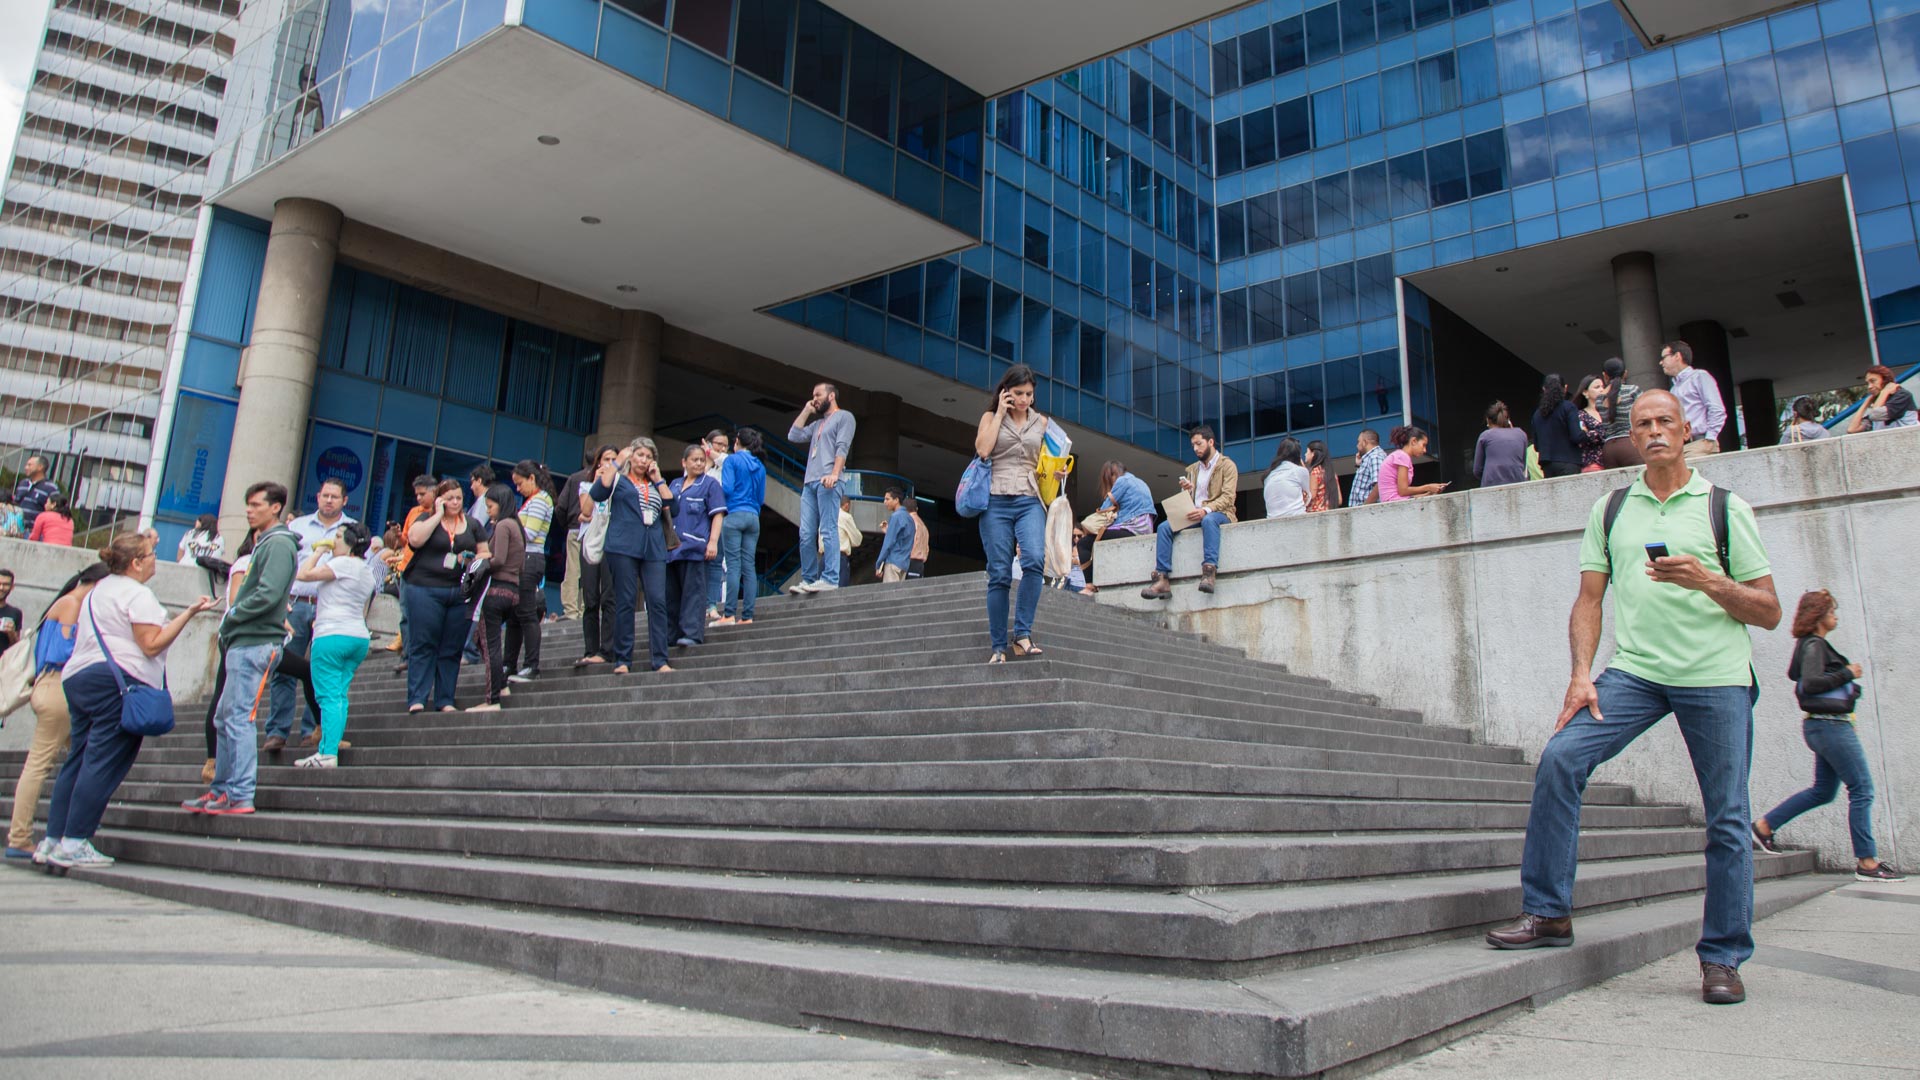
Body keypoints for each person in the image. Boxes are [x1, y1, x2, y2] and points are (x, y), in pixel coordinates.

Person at [1486, 389, 1781, 1008]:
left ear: (1684, 429)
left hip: (1717, 675)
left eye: (1664, 422)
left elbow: (1770, 610)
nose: (1652, 431)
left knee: (1727, 816)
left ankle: (1723, 956)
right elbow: (1589, 599)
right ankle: (1549, 914)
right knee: (1562, 758)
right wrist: (1580, 673)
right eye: (1642, 423)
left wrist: (1706, 578)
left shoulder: (1725, 507)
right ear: (1633, 434)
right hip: (1637, 673)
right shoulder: (1613, 508)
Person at [46, 534, 214, 866]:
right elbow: (151, 644)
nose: (155, 559)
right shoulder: (138, 595)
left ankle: (54, 838)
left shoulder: (98, 591)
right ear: (136, 562)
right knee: (103, 761)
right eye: (151, 554)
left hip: (80, 677)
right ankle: (76, 840)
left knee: (78, 758)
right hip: (117, 682)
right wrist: (190, 612)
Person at [1752, 590, 1904, 882]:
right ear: (1818, 616)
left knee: (1823, 791)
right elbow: (1810, 684)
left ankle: (1763, 827)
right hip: (1829, 726)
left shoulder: (1810, 645)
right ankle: (1867, 862)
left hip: (1824, 726)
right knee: (1862, 789)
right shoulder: (1814, 645)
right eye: (1832, 611)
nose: (1835, 616)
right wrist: (1847, 673)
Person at [184, 482, 298, 816]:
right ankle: (222, 790)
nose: (249, 510)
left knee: (238, 718)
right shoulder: (268, 543)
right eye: (247, 504)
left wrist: (233, 617)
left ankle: (240, 793)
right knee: (226, 716)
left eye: (256, 504)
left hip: (255, 640)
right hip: (246, 639)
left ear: (275, 507)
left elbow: (269, 594)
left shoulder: (278, 544)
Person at [5, 563, 108, 860]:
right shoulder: (73, 604)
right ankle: (23, 836)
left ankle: (62, 832)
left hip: (48, 686)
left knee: (74, 760)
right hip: (59, 688)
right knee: (44, 764)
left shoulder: (63, 601)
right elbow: (66, 650)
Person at [267, 477, 356, 753]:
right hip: (296, 603)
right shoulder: (297, 526)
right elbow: (284, 564)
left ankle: (312, 729)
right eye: (325, 495)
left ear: (344, 500)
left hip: (329, 608)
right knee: (284, 665)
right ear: (318, 497)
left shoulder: (351, 530)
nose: (329, 500)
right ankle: (277, 730)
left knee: (321, 670)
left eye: (334, 496)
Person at [974, 364, 1048, 661]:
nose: (1024, 400)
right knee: (1000, 573)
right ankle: (997, 647)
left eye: (1029, 394)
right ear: (1006, 392)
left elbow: (1050, 459)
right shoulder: (991, 417)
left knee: (1034, 560)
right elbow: (982, 450)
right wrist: (1001, 414)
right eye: (1018, 394)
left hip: (1030, 497)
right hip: (996, 499)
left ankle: (1023, 634)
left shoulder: (1042, 422)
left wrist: (1059, 472)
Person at [292, 521, 377, 766]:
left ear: (350, 543)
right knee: (339, 694)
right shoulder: (366, 570)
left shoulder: (342, 563)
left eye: (338, 536)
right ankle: (329, 747)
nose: (333, 540)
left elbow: (304, 574)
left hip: (331, 634)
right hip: (357, 636)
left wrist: (318, 550)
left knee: (328, 695)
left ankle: (327, 751)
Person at [589, 438, 676, 674]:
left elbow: (673, 508)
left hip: (654, 547)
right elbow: (597, 493)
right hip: (623, 546)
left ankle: (660, 659)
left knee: (657, 601)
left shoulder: (654, 482)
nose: (644, 460)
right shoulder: (619, 480)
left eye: (648, 456)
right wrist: (616, 463)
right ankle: (623, 660)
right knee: (625, 601)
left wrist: (658, 479)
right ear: (631, 456)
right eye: (639, 455)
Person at [401, 480, 484, 712]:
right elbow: (415, 540)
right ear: (440, 499)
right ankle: (417, 697)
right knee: (423, 643)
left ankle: (445, 699)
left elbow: (485, 552)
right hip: (425, 587)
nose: (455, 503)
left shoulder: (472, 524)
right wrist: (438, 514)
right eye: (449, 499)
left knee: (451, 647)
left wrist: (471, 567)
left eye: (458, 498)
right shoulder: (426, 518)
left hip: (458, 590)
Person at [1141, 424, 1239, 600]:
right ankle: (1162, 578)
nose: (1195, 448)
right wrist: (1187, 491)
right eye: (1193, 445)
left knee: (1209, 521)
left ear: (1211, 442)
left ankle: (1209, 572)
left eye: (1199, 444)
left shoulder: (1227, 465)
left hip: (1220, 513)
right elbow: (1190, 499)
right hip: (1195, 513)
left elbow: (1228, 497)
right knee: (1164, 527)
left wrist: (1205, 510)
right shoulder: (1192, 469)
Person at [786, 382, 856, 594]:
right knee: (806, 533)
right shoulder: (817, 424)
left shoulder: (845, 417)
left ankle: (830, 577)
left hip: (829, 480)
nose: (814, 398)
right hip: (810, 482)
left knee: (827, 529)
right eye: (812, 395)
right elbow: (794, 435)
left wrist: (835, 474)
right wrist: (807, 410)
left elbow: (842, 446)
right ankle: (808, 579)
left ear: (831, 395)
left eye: (818, 394)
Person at [469, 484, 525, 712]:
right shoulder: (517, 527)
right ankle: (500, 685)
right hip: (513, 591)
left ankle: (492, 698)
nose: (488, 511)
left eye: (490, 507)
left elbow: (499, 559)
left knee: (489, 643)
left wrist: (478, 565)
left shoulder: (503, 525)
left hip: (497, 591)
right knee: (481, 640)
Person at [665, 443, 726, 649]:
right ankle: (669, 635)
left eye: (702, 459)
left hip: (694, 547)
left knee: (693, 592)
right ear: (684, 462)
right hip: (671, 550)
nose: (699, 463)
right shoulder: (673, 485)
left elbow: (717, 514)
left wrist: (713, 542)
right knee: (670, 594)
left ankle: (691, 633)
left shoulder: (710, 485)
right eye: (694, 459)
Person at [561, 446, 618, 663]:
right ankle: (590, 650)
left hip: (612, 544)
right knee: (590, 597)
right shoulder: (587, 484)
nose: (610, 463)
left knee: (609, 597)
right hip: (590, 543)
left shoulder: (621, 485)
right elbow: (585, 511)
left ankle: (608, 649)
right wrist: (598, 483)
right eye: (606, 459)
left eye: (614, 459)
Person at [505, 461, 553, 684]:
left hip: (530, 559)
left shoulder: (540, 500)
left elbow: (530, 533)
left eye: (519, 483)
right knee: (515, 614)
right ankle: (509, 663)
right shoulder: (534, 500)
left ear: (531, 479)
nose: (518, 488)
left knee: (526, 612)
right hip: (523, 559)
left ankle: (531, 664)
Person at [1075, 461, 1155, 593]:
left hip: (1131, 529)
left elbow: (1104, 509)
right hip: (1144, 529)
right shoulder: (1141, 482)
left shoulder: (1122, 481)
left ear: (1111, 475)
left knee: (1084, 543)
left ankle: (1090, 585)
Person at [382, 476, 437, 663]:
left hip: (427, 571)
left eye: (423, 494)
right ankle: (406, 654)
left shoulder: (439, 514)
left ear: (434, 491)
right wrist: (398, 534)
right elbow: (407, 540)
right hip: (408, 568)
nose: (419, 498)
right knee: (406, 613)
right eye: (417, 495)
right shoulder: (414, 512)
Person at [556, 447, 614, 622]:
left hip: (578, 529)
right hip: (598, 531)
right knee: (594, 574)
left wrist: (569, 522)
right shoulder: (591, 481)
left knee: (574, 570)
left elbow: (561, 507)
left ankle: (571, 610)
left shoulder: (575, 478)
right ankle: (584, 608)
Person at [715, 429, 765, 626]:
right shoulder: (759, 465)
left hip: (734, 514)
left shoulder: (731, 461)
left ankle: (728, 615)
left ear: (737, 442)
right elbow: (761, 498)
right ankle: (747, 616)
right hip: (753, 517)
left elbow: (726, 488)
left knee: (733, 565)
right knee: (749, 567)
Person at [1661, 340, 1727, 458]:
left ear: (1677, 356)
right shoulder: (1674, 388)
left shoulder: (1699, 376)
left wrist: (1710, 438)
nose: (1661, 362)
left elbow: (1717, 408)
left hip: (1699, 443)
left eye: (1664, 357)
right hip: (1681, 445)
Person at [702, 429, 731, 621]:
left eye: (725, 445)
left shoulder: (728, 463)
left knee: (715, 562)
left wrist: (712, 454)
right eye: (718, 444)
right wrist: (705, 461)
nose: (721, 448)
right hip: (698, 519)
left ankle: (711, 605)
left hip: (719, 518)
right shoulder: (698, 463)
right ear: (709, 442)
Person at [1532, 374, 1586, 478]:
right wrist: (1585, 433)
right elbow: (1576, 436)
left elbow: (1537, 446)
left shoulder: (1537, 414)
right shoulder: (1569, 407)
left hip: (1547, 464)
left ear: (1544, 389)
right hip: (1569, 461)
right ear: (1565, 388)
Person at [1376, 427, 1447, 502]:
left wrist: (1428, 494)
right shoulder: (1403, 456)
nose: (1425, 450)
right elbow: (1403, 491)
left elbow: (1402, 495)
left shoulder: (1400, 455)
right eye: (1424, 445)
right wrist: (1428, 487)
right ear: (1413, 441)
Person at [1599, 357, 1644, 469]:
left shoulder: (1599, 399)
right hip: (1630, 445)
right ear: (1625, 373)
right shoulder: (1632, 390)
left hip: (1608, 449)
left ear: (1605, 376)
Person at [1846, 365, 1918, 433]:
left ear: (1885, 381)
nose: (1869, 387)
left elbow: (1875, 415)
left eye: (1873, 381)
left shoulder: (1902, 395)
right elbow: (1852, 429)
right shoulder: (1879, 403)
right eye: (1868, 383)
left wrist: (1885, 391)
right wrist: (1866, 403)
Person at [1473, 402, 1530, 487]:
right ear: (1508, 420)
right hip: (1518, 483)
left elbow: (1477, 470)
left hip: (1491, 485)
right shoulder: (1521, 434)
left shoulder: (1485, 436)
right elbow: (1522, 464)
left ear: (1488, 420)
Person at [874, 487, 915, 583]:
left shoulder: (895, 516)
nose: (885, 502)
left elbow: (888, 543)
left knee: (889, 596)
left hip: (893, 562)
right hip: (904, 563)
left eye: (887, 499)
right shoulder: (910, 519)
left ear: (896, 500)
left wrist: (879, 563)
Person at [1262, 438, 1311, 518]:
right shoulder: (1299, 471)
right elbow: (1309, 496)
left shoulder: (1269, 475)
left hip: (1272, 520)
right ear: (1298, 455)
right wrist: (1302, 466)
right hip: (1296, 518)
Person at [12, 454, 59, 534]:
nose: (26, 467)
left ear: (40, 467)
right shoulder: (23, 483)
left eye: (30, 465)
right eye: (26, 465)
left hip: (34, 533)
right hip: (16, 530)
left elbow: (55, 511)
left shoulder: (51, 488)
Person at [1349, 429, 1387, 505]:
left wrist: (1365, 506)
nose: (1357, 445)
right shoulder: (1372, 457)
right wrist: (1358, 465)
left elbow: (1379, 485)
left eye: (1359, 441)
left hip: (1367, 512)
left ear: (1365, 442)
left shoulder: (1375, 457)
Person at [1304, 440, 1341, 512]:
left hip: (1316, 515)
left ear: (1313, 454)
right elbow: (1339, 500)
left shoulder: (1315, 471)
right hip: (1330, 512)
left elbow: (1312, 496)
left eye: (1307, 452)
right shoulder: (1331, 473)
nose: (1305, 454)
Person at [836, 495, 861, 586]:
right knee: (840, 588)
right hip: (839, 556)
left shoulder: (826, 514)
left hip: (824, 556)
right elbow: (857, 540)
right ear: (846, 505)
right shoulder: (845, 516)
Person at [907, 503, 930, 579]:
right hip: (920, 563)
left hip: (911, 560)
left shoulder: (910, 522)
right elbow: (927, 548)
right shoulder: (923, 525)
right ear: (916, 509)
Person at [0, 569, 20, 656]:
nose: (1, 588)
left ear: (12, 587)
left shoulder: (15, 613)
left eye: (6, 585)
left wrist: (11, 633)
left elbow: (16, 647)